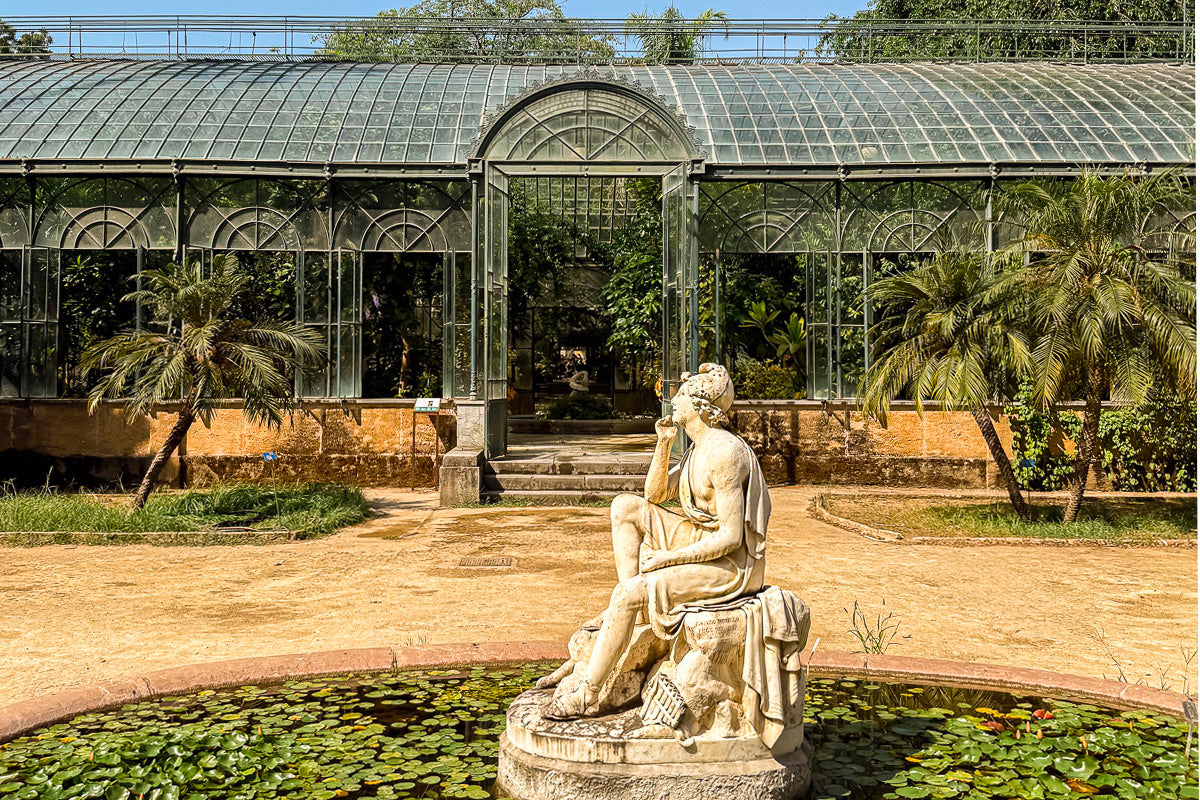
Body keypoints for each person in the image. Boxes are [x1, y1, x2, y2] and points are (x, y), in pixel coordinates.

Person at [547, 363, 770, 719]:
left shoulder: (725, 453)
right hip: (701, 539)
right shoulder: (697, 448)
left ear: (699, 404)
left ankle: (587, 694)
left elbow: (731, 536)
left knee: (626, 595)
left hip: (730, 565)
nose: (672, 401)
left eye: (680, 396)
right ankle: (633, 607)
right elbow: (654, 494)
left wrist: (669, 559)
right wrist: (663, 444)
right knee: (625, 507)